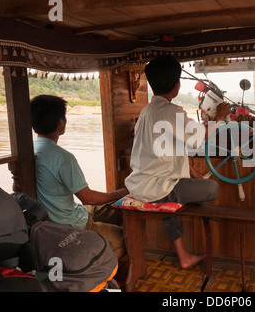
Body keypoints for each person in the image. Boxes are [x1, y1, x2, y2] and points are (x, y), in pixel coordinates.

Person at [125, 55, 231, 268]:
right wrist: (219, 117)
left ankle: (184, 257)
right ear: (177, 84)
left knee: (175, 187)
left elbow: (162, 149)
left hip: (138, 185)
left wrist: (190, 169)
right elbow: (200, 137)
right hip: (158, 187)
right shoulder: (172, 111)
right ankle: (174, 203)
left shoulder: (146, 112)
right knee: (211, 189)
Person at [30, 94, 128, 258]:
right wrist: (121, 192)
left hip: (66, 215)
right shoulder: (62, 157)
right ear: (61, 122)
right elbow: (88, 198)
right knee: (126, 236)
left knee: (115, 210)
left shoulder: (30, 150)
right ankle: (100, 274)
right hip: (71, 224)